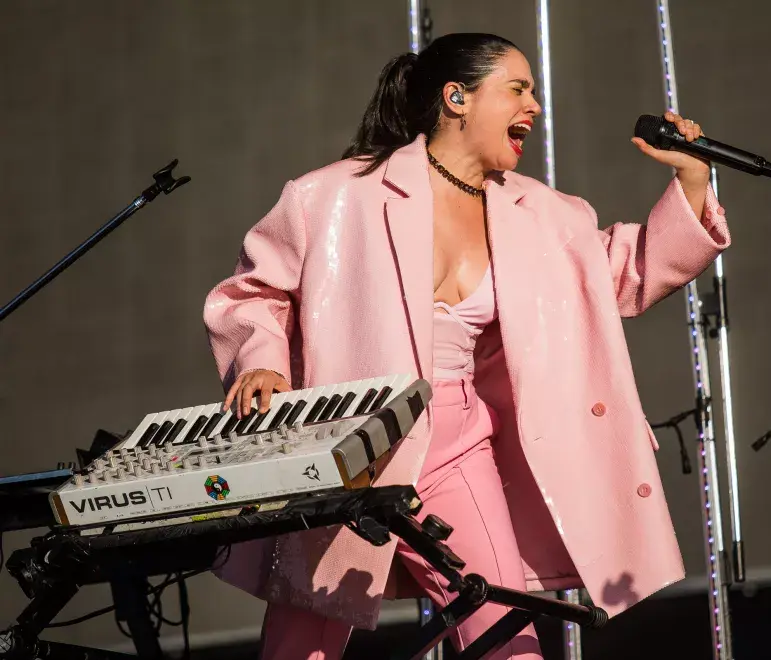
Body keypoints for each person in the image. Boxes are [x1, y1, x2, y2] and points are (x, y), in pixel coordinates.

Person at [203, 32, 729, 660]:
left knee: (508, 635)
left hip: (456, 443)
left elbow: (625, 271)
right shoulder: (335, 196)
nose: (534, 105)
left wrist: (694, 181)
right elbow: (253, 293)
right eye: (517, 88)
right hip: (346, 447)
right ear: (456, 98)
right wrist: (261, 365)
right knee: (302, 647)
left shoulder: (543, 213)